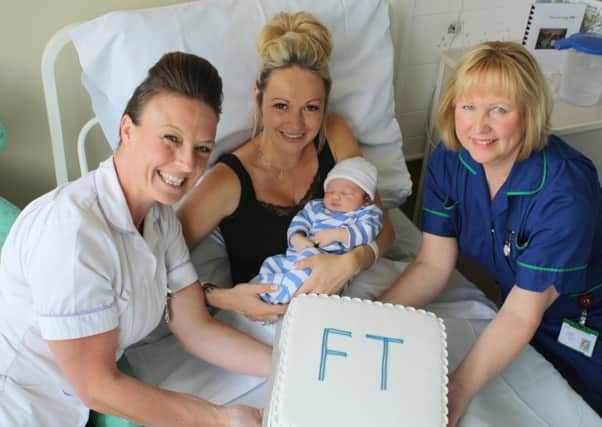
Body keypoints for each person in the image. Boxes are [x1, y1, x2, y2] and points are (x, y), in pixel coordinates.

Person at [0, 52, 271, 427]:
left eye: (202, 148)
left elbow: (196, 328)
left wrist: (288, 367)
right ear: (127, 130)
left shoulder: (160, 220)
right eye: (171, 139)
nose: (186, 164)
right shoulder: (72, 232)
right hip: (19, 410)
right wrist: (218, 418)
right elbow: (96, 385)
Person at [379, 41, 602, 424]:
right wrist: (373, 316)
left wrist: (458, 389)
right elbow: (433, 264)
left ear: (529, 114)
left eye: (499, 109)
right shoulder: (450, 162)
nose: (478, 126)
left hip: (586, 320)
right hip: (522, 306)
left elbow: (520, 314)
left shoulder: (565, 191)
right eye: (468, 106)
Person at [178, 11, 394, 322]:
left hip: (348, 304)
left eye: (310, 108)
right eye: (281, 106)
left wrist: (351, 263)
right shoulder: (229, 180)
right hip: (274, 320)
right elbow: (156, 266)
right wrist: (223, 297)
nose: (296, 124)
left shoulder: (333, 134)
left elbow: (383, 227)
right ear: (258, 98)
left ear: (325, 104)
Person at [259, 156, 383, 303]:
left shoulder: (367, 212)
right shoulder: (316, 207)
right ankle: (269, 292)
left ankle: (284, 295)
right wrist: (296, 237)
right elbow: (300, 220)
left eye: (346, 193)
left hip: (332, 265)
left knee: (307, 270)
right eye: (330, 192)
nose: (335, 196)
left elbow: (368, 231)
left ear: (366, 199)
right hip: (296, 256)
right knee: (271, 263)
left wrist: (338, 234)